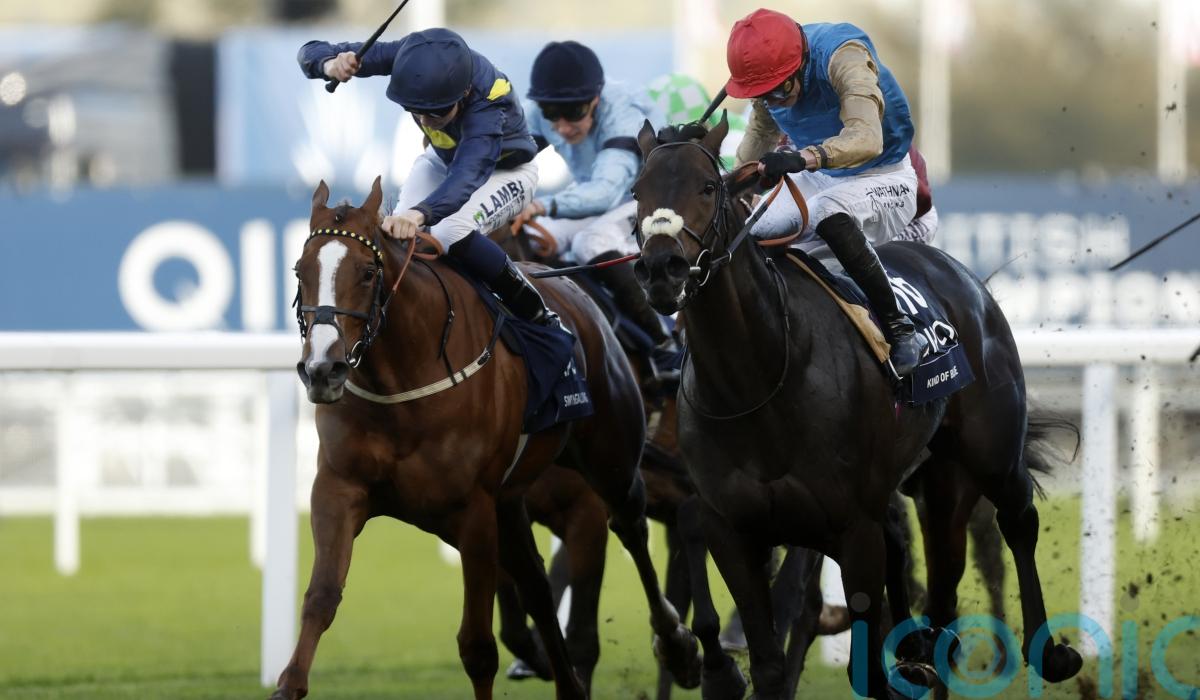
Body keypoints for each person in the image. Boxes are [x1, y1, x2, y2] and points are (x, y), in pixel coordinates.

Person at [297, 27, 562, 328]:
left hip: (506, 172)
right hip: (444, 159)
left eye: (436, 113)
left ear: (464, 93)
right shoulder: (409, 56)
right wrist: (329, 64)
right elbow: (309, 50)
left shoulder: (489, 104)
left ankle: (538, 313)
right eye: (414, 109)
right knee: (393, 239)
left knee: (449, 231)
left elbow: (467, 174)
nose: (424, 121)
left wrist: (420, 213)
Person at [725, 8, 927, 376]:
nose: (773, 102)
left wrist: (804, 157)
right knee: (748, 229)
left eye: (779, 90)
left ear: (800, 64)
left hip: (884, 174)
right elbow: (760, 136)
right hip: (823, 175)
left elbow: (867, 138)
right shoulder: (772, 81)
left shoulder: (844, 55)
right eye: (764, 96)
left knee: (827, 211)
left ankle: (899, 327)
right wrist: (722, 184)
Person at [514, 40, 679, 374]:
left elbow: (605, 193)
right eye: (551, 115)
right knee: (530, 235)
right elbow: (501, 162)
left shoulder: (623, 111)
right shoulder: (542, 110)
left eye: (574, 113)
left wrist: (541, 205)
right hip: (596, 196)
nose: (562, 127)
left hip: (649, 198)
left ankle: (665, 343)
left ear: (596, 99)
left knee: (590, 242)